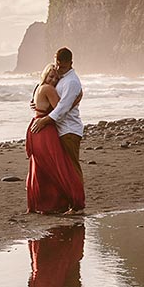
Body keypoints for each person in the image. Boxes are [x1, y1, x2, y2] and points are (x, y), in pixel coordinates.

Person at [25, 62, 85, 214]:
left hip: (35, 127)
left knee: (39, 168)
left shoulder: (38, 88)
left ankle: (41, 203)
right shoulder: (49, 89)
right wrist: (76, 99)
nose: (53, 80)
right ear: (45, 74)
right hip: (45, 129)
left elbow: (46, 106)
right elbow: (61, 110)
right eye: (51, 76)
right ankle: (73, 202)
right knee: (57, 166)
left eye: (56, 78)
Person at [30, 47, 85, 187]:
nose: (59, 69)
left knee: (72, 168)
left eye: (63, 66)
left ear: (71, 63)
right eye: (57, 64)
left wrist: (44, 120)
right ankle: (69, 202)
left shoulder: (71, 81)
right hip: (59, 130)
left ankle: (78, 202)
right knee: (63, 168)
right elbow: (52, 98)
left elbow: (62, 109)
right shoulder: (61, 78)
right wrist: (37, 104)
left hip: (69, 130)